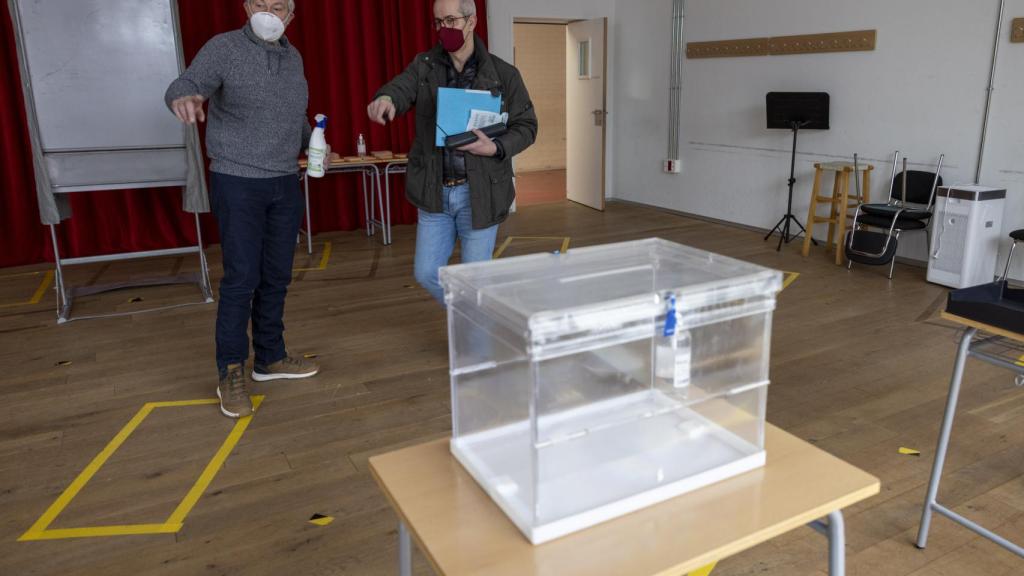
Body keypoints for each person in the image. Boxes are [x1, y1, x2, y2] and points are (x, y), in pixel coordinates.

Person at [165, 0, 318, 419]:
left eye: (279, 5)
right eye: (260, 2)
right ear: (247, 7)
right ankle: (230, 370)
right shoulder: (224, 48)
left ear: (291, 15)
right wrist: (183, 98)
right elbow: (185, 83)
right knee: (241, 278)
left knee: (276, 275)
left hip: (285, 181)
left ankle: (270, 357)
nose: (269, 11)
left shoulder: (294, 58)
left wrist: (315, 141)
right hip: (237, 182)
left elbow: (293, 116)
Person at [367, 0, 537, 303]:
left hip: (481, 192)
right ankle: (470, 316)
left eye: (450, 20)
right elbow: (401, 88)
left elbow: (527, 127)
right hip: (435, 193)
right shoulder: (424, 66)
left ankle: (475, 342)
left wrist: (496, 147)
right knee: (426, 272)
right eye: (437, 22)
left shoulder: (504, 73)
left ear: (471, 21)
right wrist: (387, 98)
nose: (443, 29)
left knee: (475, 280)